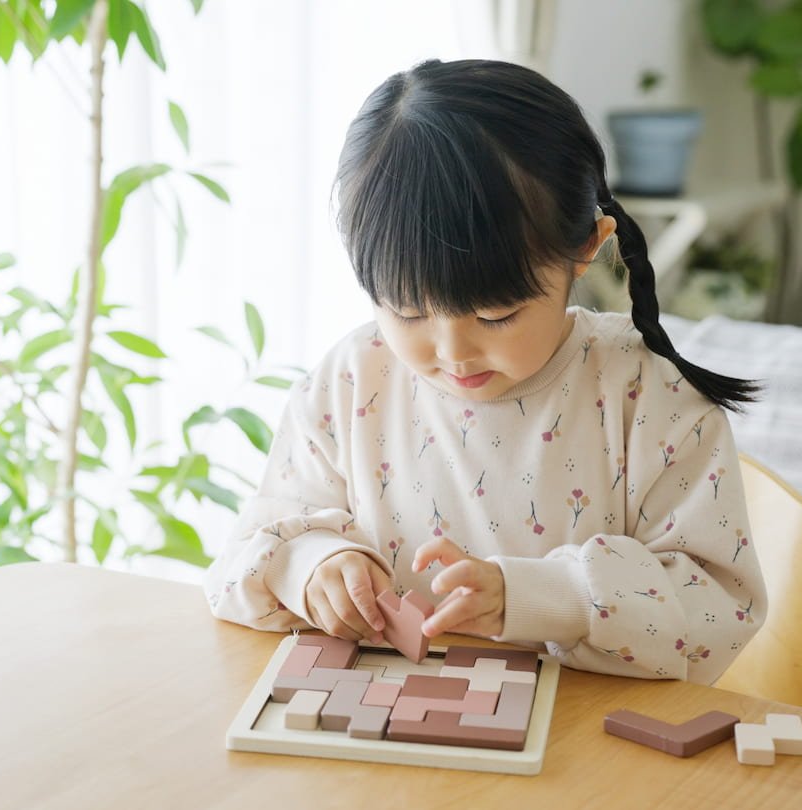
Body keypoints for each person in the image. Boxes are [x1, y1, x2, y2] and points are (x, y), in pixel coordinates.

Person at [205, 58, 766, 683]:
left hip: (589, 747)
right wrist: (312, 564)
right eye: (407, 311)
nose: (452, 352)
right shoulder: (352, 383)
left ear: (586, 246)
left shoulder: (651, 398)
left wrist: (541, 597)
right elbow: (243, 556)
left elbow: (720, 612)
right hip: (384, 734)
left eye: (497, 315)